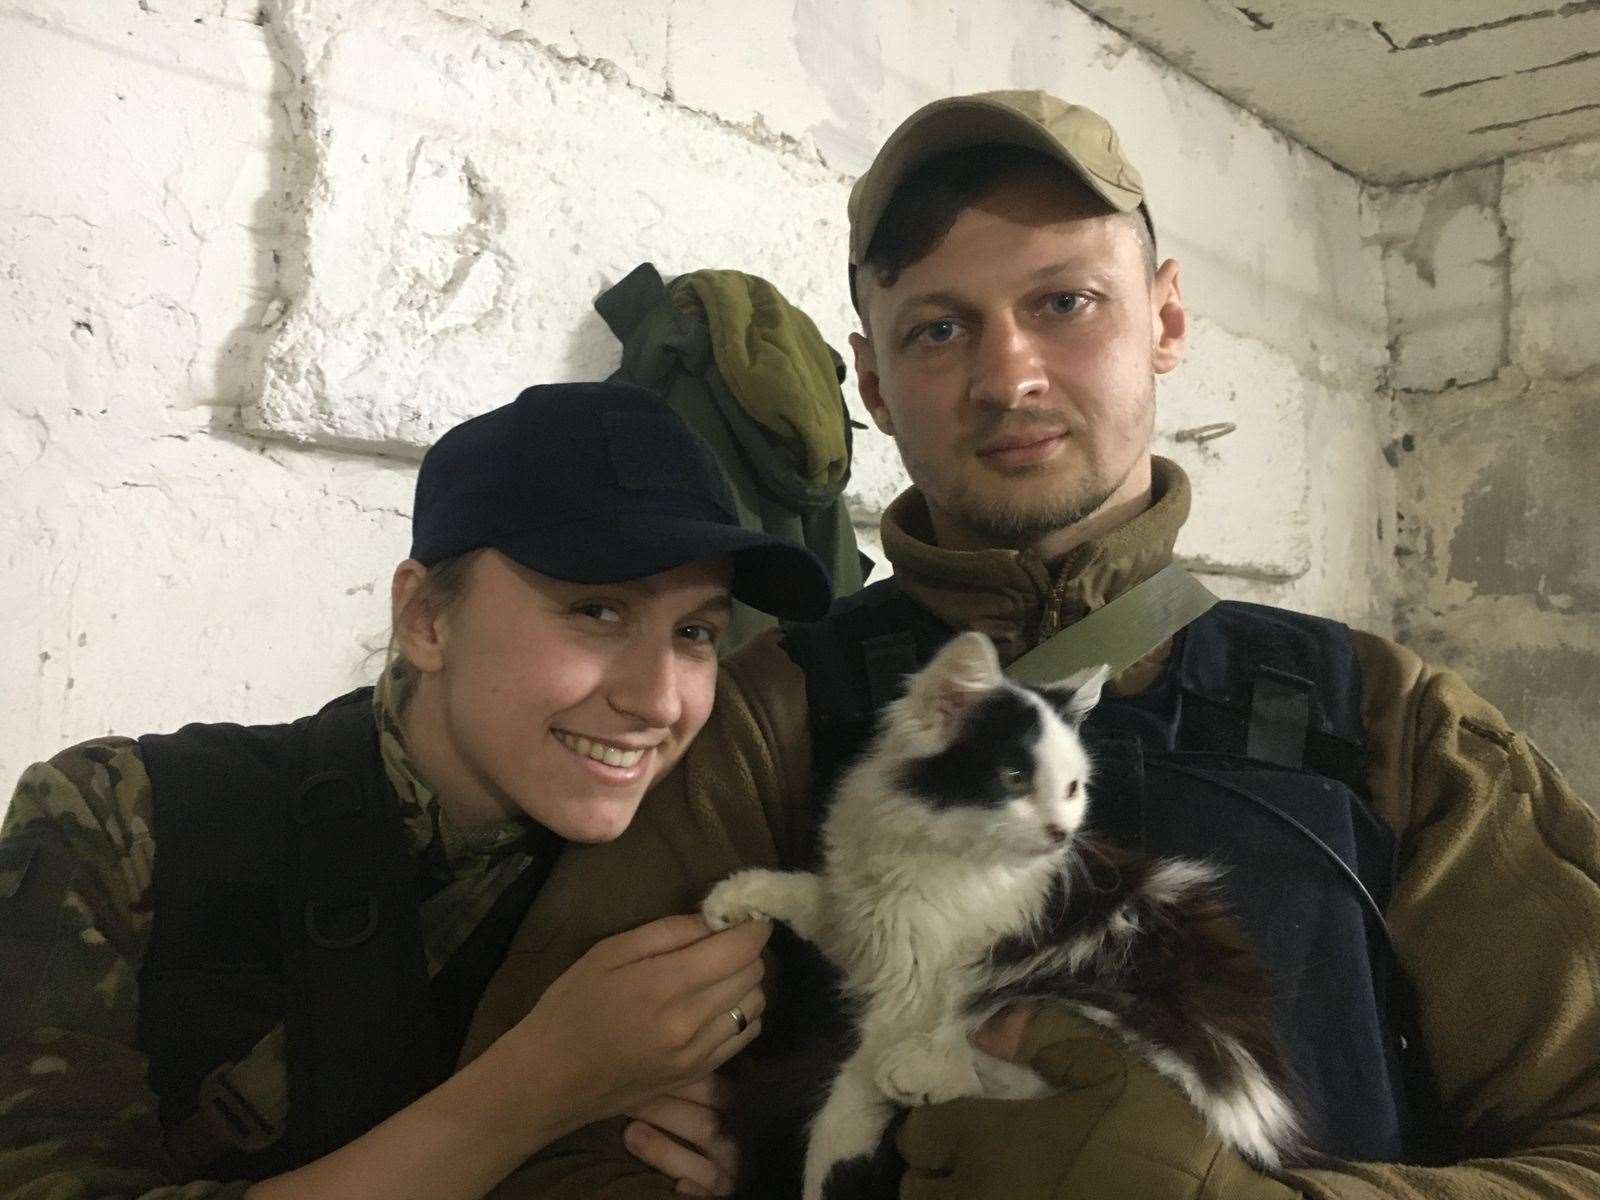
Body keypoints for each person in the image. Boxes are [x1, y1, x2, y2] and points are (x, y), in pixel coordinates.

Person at [465, 93, 1600, 1199]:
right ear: (872, 379)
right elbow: (550, 1133)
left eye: (1064, 302)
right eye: (940, 328)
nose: (1007, 378)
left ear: (1163, 320)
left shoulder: (1389, 721)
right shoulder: (765, 720)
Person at [0, 381, 837, 1199]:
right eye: (597, 611)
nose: (658, 699)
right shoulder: (124, 820)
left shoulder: (697, 866)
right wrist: (535, 1091)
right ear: (427, 620)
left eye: (695, 633)